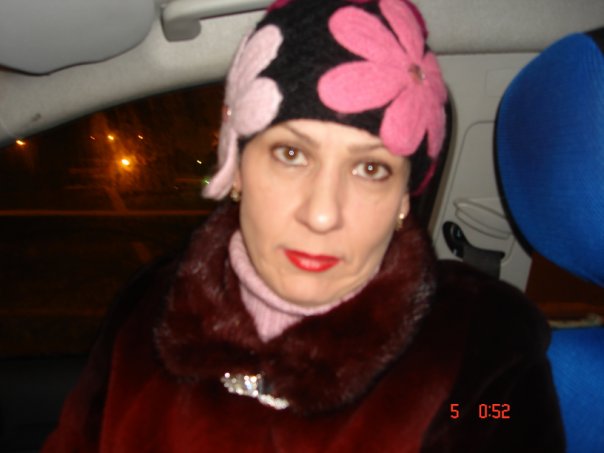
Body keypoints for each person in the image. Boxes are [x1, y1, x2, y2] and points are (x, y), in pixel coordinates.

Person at [43, 0, 565, 451]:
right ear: (237, 168)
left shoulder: (480, 361)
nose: (321, 214)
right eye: (291, 154)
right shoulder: (146, 313)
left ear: (404, 200)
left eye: (370, 169)